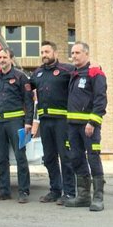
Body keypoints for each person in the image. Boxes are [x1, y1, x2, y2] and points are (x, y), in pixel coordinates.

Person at [30, 40, 76, 205]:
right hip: (45, 122)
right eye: (42, 52)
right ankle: (55, 190)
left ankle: (70, 192)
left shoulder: (67, 70)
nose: (44, 55)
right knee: (49, 158)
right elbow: (28, 89)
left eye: (47, 52)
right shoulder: (37, 73)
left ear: (55, 53)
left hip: (62, 122)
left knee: (65, 157)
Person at [0, 48, 33, 203]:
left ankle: (23, 192)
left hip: (16, 123)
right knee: (1, 158)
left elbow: (28, 101)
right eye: (0, 57)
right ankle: (4, 191)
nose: (2, 59)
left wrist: (28, 122)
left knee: (20, 157)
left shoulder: (20, 77)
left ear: (11, 59)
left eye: (5, 57)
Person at [65, 41, 108, 212]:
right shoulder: (73, 73)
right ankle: (83, 196)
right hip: (73, 127)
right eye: (72, 53)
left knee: (93, 158)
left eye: (77, 53)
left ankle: (98, 197)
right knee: (76, 158)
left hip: (89, 127)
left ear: (86, 54)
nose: (74, 56)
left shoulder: (95, 73)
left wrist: (92, 122)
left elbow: (101, 99)